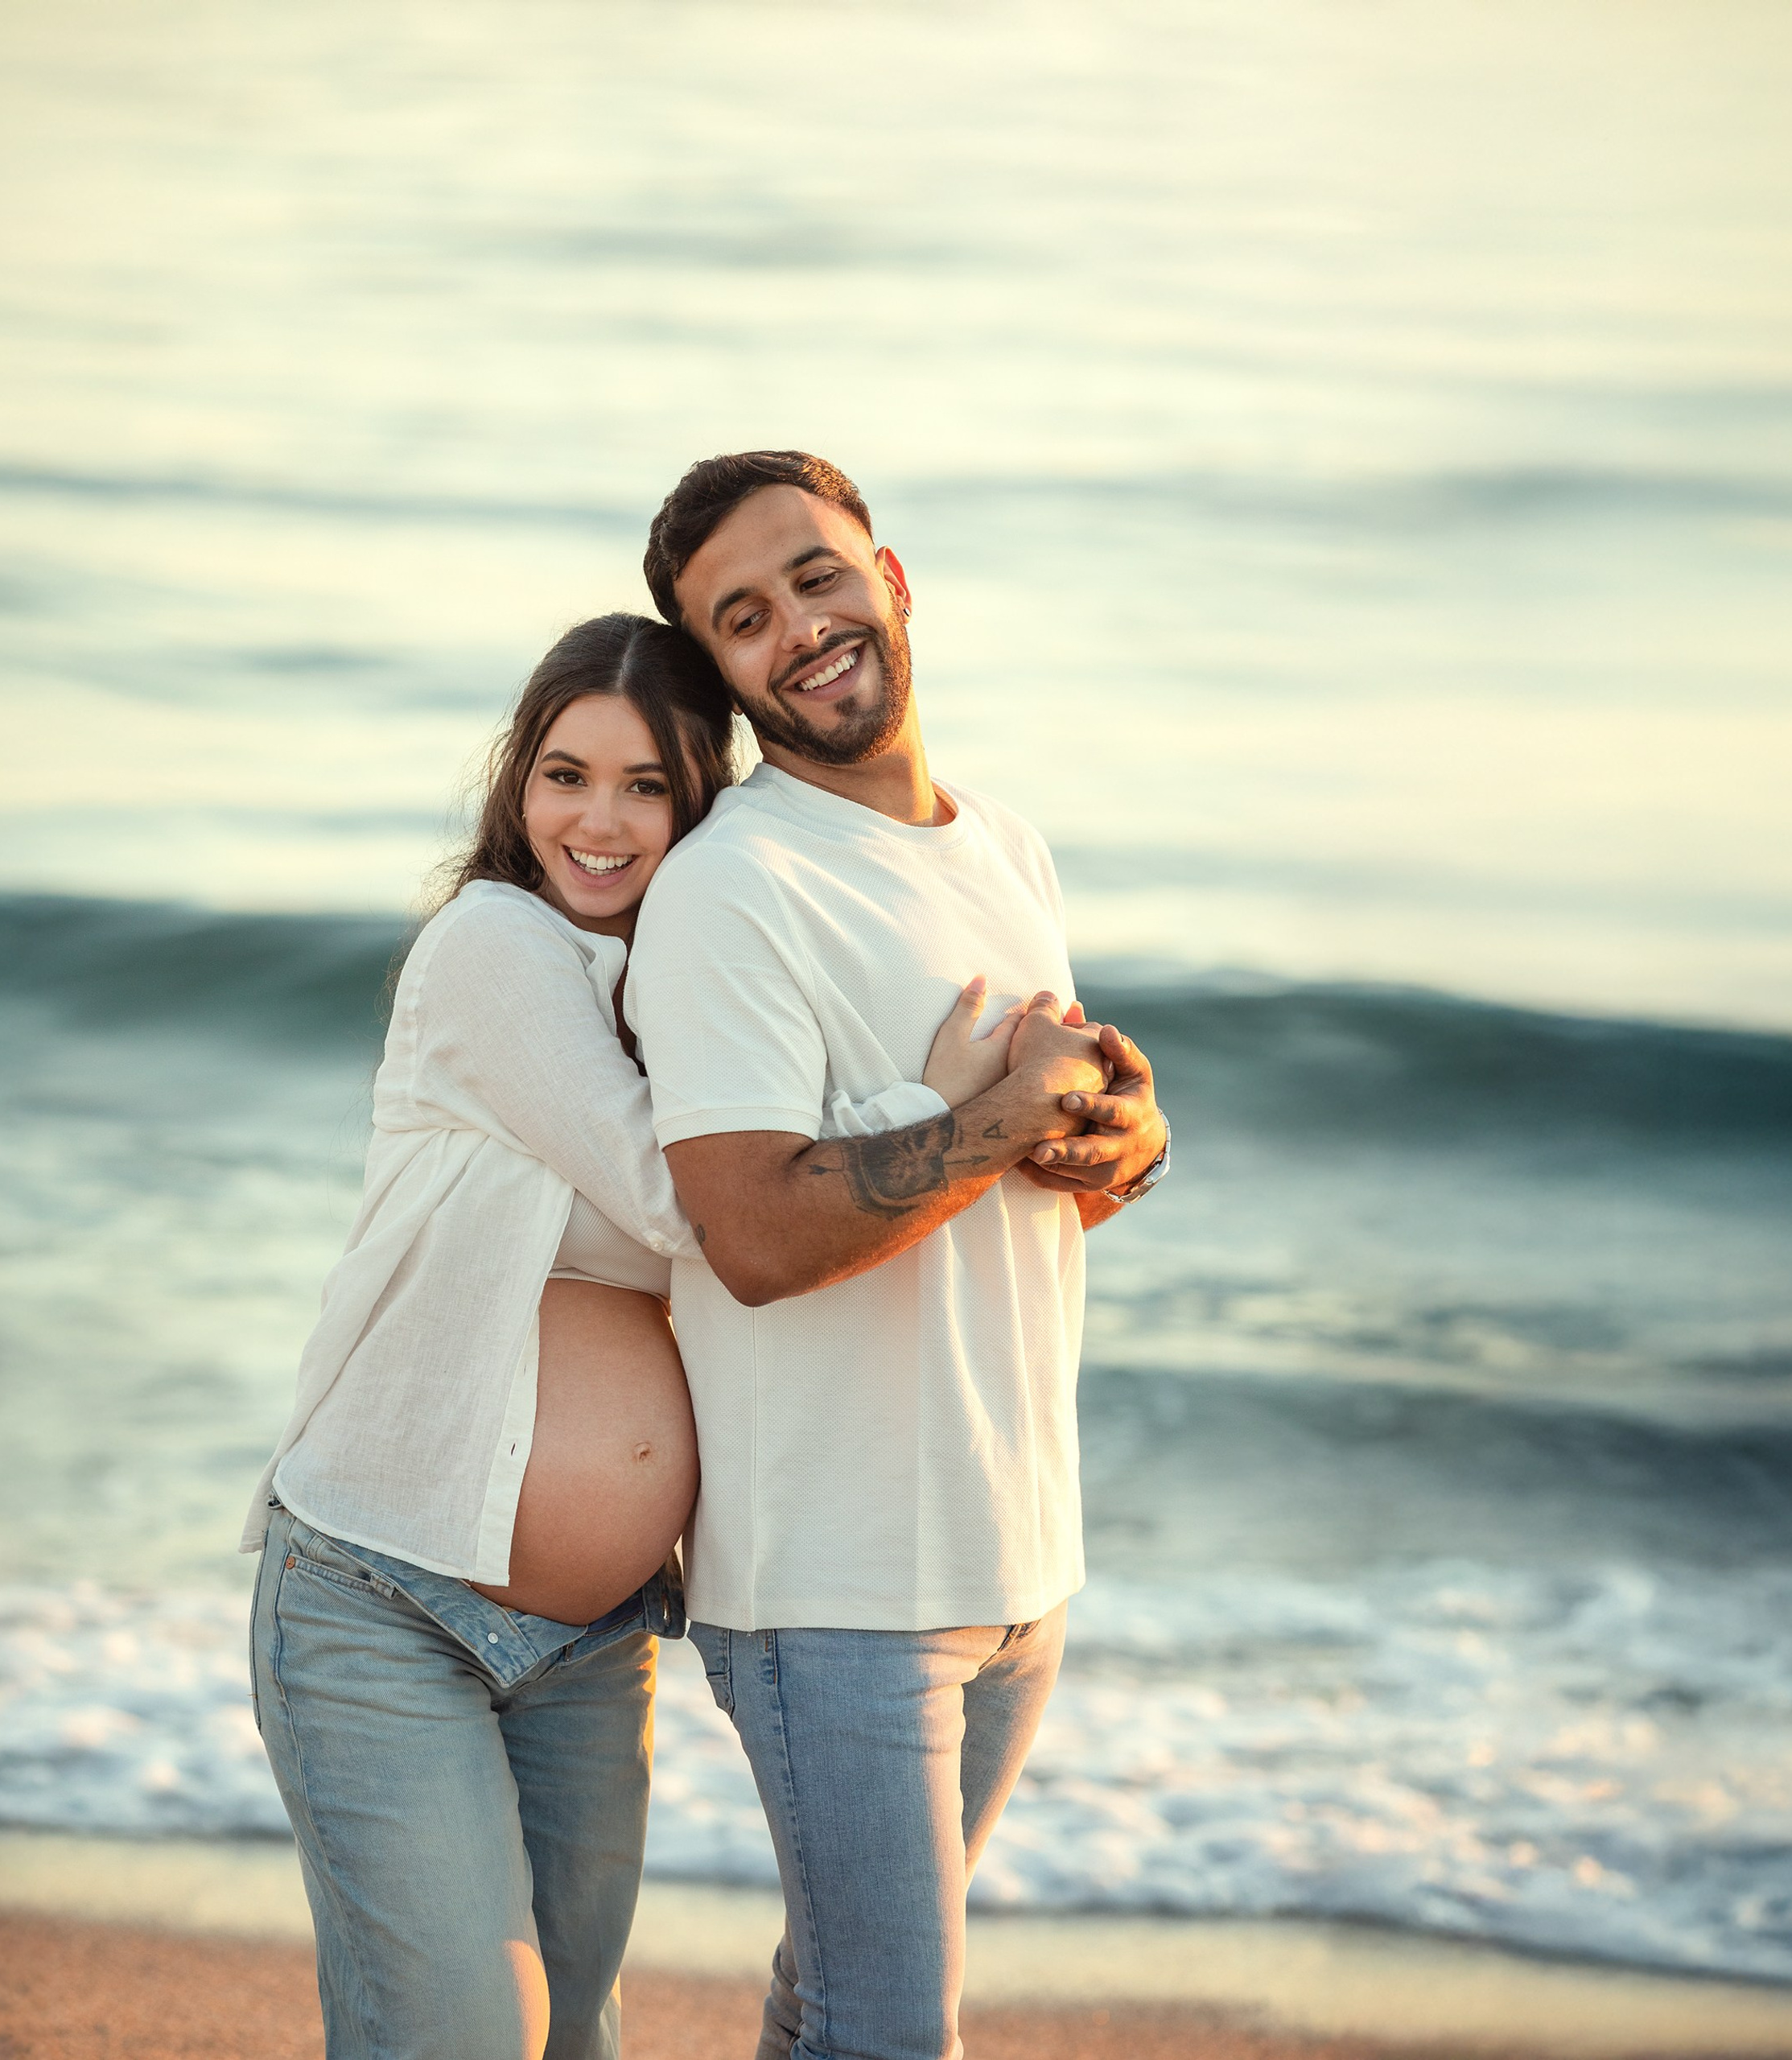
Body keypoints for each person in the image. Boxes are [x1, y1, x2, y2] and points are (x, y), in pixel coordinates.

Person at [238, 611, 1060, 2060]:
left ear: (700, 802)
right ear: (517, 787)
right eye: (564, 775)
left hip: (589, 1639)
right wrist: (935, 1111)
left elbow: (783, 1198)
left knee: (575, 2040)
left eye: (645, 788)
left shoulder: (688, 984)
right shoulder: (491, 949)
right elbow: (702, 1214)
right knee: (467, 2037)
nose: (597, 822)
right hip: (388, 1598)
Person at [626, 451, 1172, 2060]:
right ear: (718, 673)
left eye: (812, 575)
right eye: (741, 618)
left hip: (1014, 1550)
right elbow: (752, 1234)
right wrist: (993, 1117)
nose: (795, 626)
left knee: (840, 2000)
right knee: (889, 2027)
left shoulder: (1002, 843)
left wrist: (1117, 1143)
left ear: (891, 575)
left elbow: (1027, 1165)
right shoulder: (731, 889)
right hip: (837, 1580)